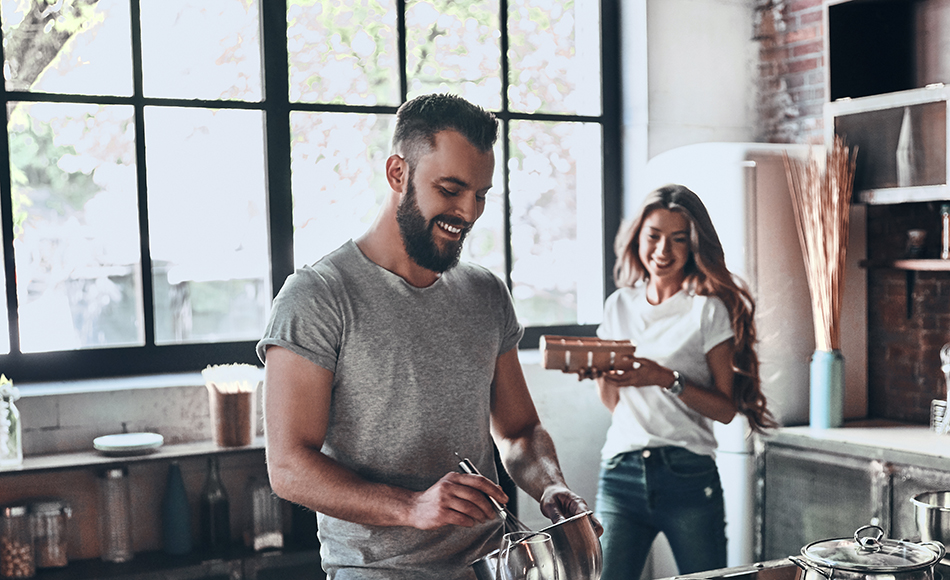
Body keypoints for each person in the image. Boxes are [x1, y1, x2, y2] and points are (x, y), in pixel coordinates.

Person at [256, 93, 594, 580]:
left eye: (480, 194)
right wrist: (413, 507)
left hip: (490, 568)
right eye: (451, 189)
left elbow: (519, 432)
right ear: (398, 174)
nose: (469, 212)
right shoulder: (319, 296)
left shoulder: (485, 293)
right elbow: (288, 468)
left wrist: (550, 486)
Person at [580, 184, 776, 580]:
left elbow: (725, 410)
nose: (662, 251)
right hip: (621, 471)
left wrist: (664, 377)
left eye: (678, 240)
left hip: (688, 475)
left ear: (693, 246)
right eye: (653, 236)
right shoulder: (619, 305)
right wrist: (601, 374)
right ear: (638, 238)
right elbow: (616, 404)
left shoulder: (708, 310)